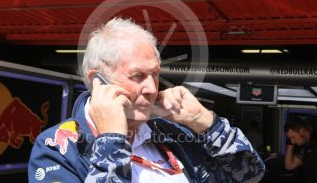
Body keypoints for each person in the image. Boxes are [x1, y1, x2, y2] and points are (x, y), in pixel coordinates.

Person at [28, 17, 265, 182]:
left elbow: (250, 174)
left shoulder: (171, 133)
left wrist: (204, 122)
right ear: (97, 81)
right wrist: (112, 140)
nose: (152, 88)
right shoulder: (57, 147)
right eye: (138, 76)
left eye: (155, 74)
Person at [284, 116, 317, 183]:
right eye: (290, 139)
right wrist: (290, 144)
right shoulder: (305, 147)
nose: (292, 141)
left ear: (302, 131)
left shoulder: (314, 143)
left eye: (293, 137)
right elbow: (289, 166)